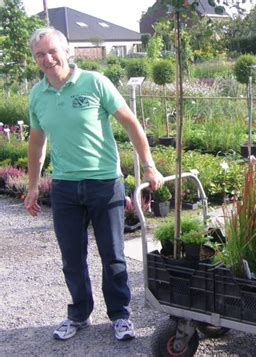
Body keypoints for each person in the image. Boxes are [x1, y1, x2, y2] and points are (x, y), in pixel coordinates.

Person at [24, 27, 163, 341]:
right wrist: (33, 186)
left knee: (113, 255)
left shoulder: (94, 83)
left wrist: (149, 166)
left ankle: (120, 316)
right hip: (64, 187)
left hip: (104, 184)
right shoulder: (37, 94)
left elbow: (131, 123)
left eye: (51, 51)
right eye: (39, 55)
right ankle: (79, 314)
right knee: (72, 258)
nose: (47, 59)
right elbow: (36, 143)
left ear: (67, 51)